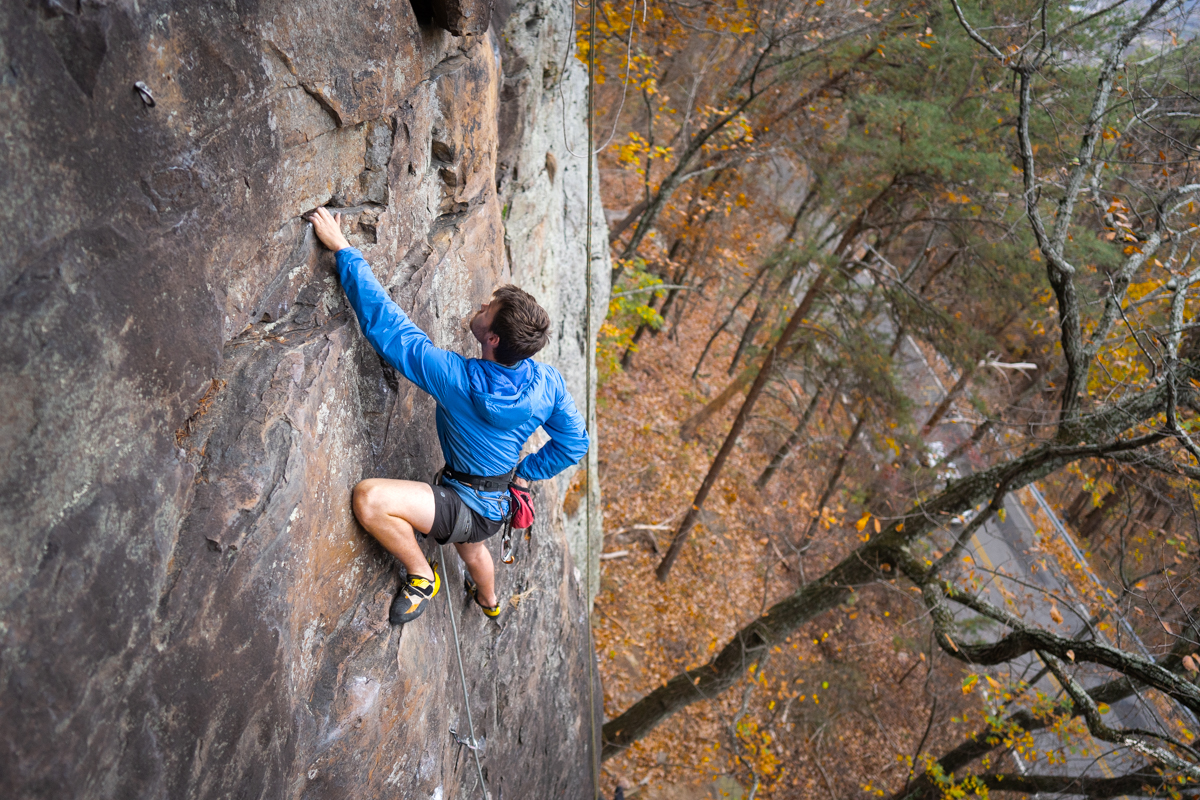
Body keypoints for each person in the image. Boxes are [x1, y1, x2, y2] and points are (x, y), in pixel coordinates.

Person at [306, 207, 589, 624]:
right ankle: (490, 603)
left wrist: (345, 250)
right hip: (495, 509)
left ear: (491, 338)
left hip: (462, 505)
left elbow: (390, 329)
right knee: (474, 551)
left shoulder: (457, 380)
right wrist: (524, 469)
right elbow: (575, 443)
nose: (481, 304)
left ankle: (422, 575)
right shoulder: (547, 383)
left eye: (488, 308)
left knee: (370, 500)